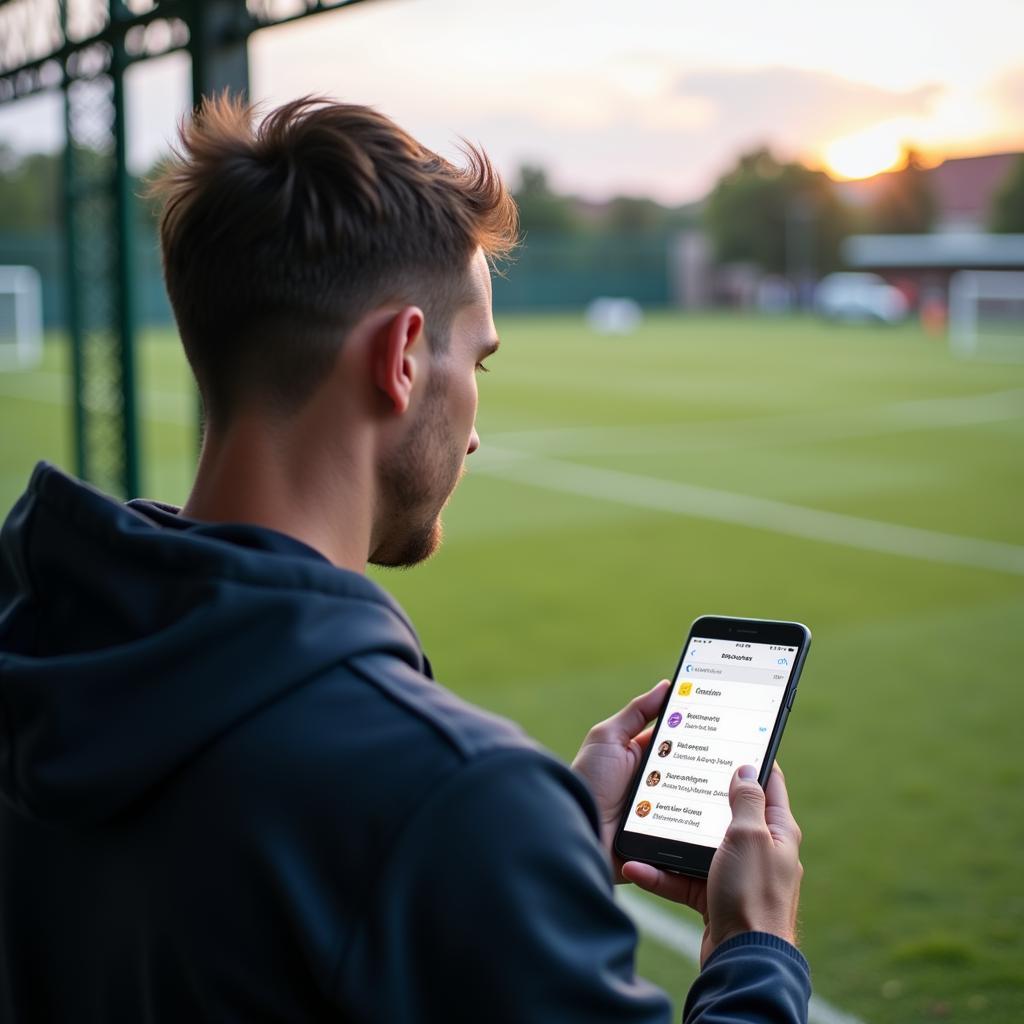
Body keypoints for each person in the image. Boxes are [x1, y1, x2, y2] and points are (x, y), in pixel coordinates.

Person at [0, 96, 808, 1023]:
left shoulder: (35, 650)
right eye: (481, 363)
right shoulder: (446, 801)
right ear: (403, 358)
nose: (474, 431)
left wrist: (547, 848)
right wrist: (756, 951)